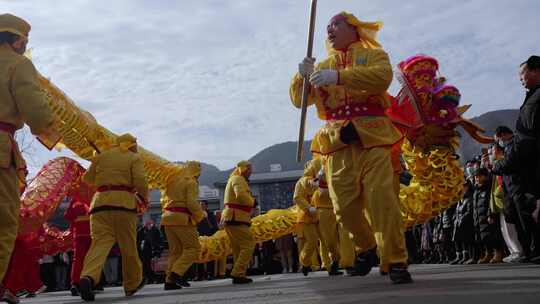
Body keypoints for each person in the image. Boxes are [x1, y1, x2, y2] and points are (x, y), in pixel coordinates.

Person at [291, 11, 411, 283]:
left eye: (335, 25)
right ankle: (367, 247)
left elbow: (381, 78)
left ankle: (395, 260)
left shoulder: (375, 55)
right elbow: (300, 101)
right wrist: (302, 77)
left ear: (353, 28)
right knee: (343, 208)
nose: (329, 31)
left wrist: (339, 77)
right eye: (327, 27)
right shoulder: (322, 65)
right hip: (337, 142)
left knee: (382, 199)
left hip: (373, 137)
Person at [0, 13, 56, 304]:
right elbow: (35, 108)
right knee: (4, 223)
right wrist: (50, 130)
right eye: (25, 39)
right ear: (15, 38)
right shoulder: (18, 64)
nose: (25, 45)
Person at [78, 133, 148, 301]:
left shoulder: (101, 156)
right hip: (124, 204)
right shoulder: (133, 157)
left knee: (99, 244)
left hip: (100, 205)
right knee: (128, 246)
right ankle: (132, 284)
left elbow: (87, 179)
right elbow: (140, 180)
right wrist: (143, 198)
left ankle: (88, 277)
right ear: (132, 146)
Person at [160, 161, 206, 290]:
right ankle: (176, 274)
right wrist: (200, 216)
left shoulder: (173, 180)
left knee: (176, 251)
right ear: (196, 171)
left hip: (167, 218)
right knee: (193, 248)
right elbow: (191, 203)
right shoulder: (191, 182)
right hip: (181, 218)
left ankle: (169, 281)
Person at [220, 161, 256, 284]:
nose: (251, 172)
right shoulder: (238, 179)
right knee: (249, 244)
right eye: (249, 169)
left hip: (232, 217)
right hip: (236, 217)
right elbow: (240, 195)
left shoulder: (235, 179)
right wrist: (253, 202)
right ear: (244, 169)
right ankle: (238, 272)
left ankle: (239, 274)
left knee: (238, 248)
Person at [64, 184, 93, 296]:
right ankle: (89, 281)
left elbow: (68, 216)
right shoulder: (93, 197)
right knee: (91, 258)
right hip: (91, 233)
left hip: (79, 234)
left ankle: (75, 283)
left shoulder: (75, 200)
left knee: (78, 260)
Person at [137, 219, 161, 283]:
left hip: (151, 250)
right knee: (145, 265)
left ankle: (152, 278)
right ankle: (147, 278)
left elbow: (157, 241)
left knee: (151, 265)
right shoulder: (141, 231)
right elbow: (138, 240)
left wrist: (157, 251)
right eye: (146, 223)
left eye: (149, 223)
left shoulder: (154, 230)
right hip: (144, 252)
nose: (147, 225)